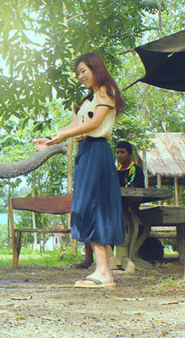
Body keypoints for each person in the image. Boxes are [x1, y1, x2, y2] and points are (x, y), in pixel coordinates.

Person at [33, 52, 125, 288]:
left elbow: (94, 125)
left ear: (95, 68)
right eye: (78, 74)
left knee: (95, 207)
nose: (80, 77)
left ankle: (104, 272)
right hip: (85, 152)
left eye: (83, 71)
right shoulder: (87, 101)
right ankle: (102, 270)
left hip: (97, 151)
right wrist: (50, 139)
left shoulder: (106, 91)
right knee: (86, 208)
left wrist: (64, 135)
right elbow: (76, 125)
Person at [72, 140, 145, 269]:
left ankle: (125, 257)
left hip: (130, 207)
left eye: (122, 152)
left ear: (129, 154)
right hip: (113, 205)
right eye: (117, 152)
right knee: (92, 220)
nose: (119, 155)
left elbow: (133, 187)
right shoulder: (115, 170)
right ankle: (93, 259)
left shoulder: (135, 169)